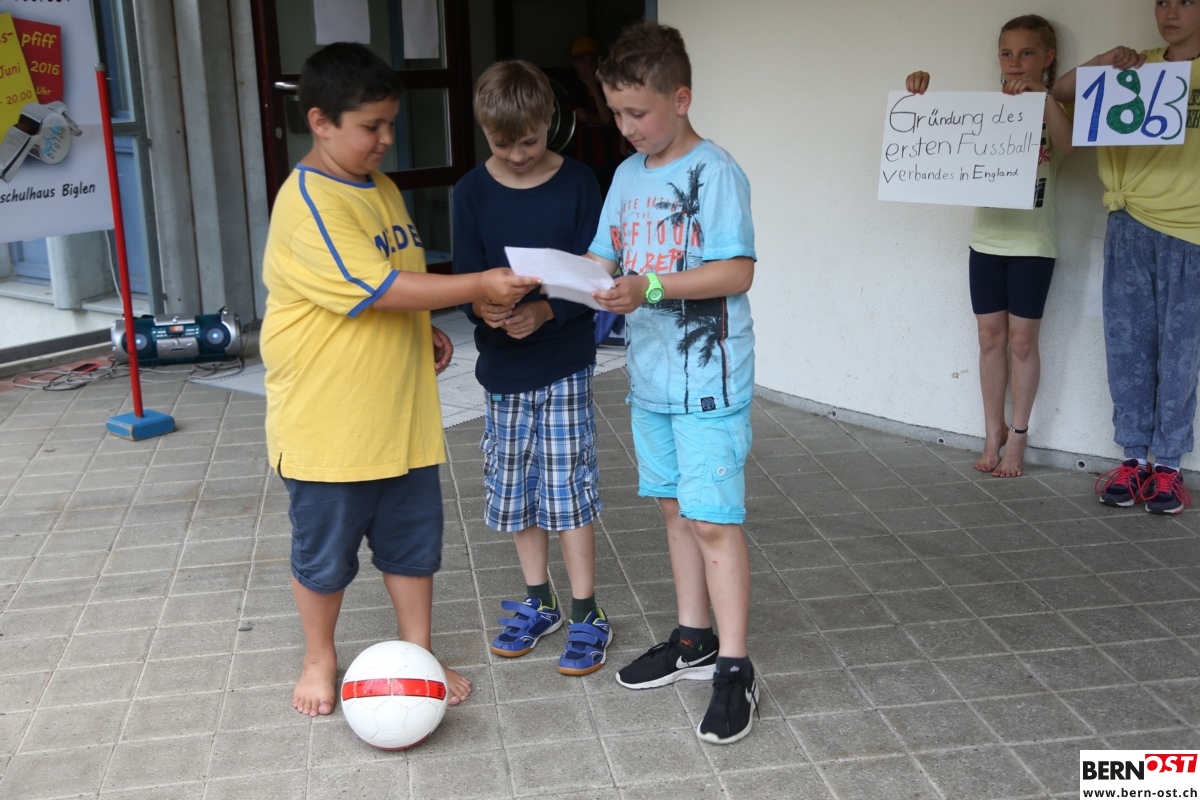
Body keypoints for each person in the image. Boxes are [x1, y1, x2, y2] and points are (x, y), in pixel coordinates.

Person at [260, 42, 540, 717]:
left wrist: (426, 329)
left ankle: (419, 654)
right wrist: (477, 284)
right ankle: (319, 658)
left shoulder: (378, 188)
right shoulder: (310, 203)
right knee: (324, 556)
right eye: (371, 126)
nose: (386, 139)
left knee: (413, 548)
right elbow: (378, 287)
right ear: (321, 122)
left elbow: (399, 283)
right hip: (331, 429)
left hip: (401, 418)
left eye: (391, 123)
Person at [588, 22, 758, 744]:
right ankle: (694, 641)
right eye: (616, 113)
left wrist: (649, 286)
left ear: (681, 99)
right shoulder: (627, 176)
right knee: (674, 511)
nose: (626, 128)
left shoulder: (715, 172)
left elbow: (737, 272)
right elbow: (603, 257)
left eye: (638, 112)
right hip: (650, 379)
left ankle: (736, 668)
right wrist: (559, 279)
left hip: (709, 380)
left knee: (713, 520)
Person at [451, 60, 611, 676]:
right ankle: (540, 600)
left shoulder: (579, 182)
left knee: (568, 486)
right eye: (502, 144)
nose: (518, 156)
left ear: (550, 121)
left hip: (564, 359)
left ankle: (587, 611)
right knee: (517, 489)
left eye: (530, 141)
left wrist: (546, 311)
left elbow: (595, 277)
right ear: (483, 131)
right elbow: (467, 282)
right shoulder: (470, 192)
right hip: (503, 368)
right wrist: (486, 309)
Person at [905, 14, 1074, 478]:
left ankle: (1018, 435)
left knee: (1022, 341)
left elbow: (1071, 148)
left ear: (1047, 57)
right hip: (986, 241)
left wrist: (1043, 96)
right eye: (1006, 53)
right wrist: (917, 98)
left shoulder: (1054, 106)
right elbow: (935, 137)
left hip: (1033, 243)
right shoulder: (983, 108)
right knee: (989, 338)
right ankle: (992, 431)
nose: (1015, 62)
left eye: (1026, 53)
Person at [1054, 1, 1200, 514]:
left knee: (1181, 355)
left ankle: (1169, 468)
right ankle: (1133, 458)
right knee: (1127, 346)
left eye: (1185, 1)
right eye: (1162, 1)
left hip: (1192, 233)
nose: (1170, 11)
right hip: (1129, 223)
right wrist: (1100, 62)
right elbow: (1060, 93)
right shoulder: (1135, 67)